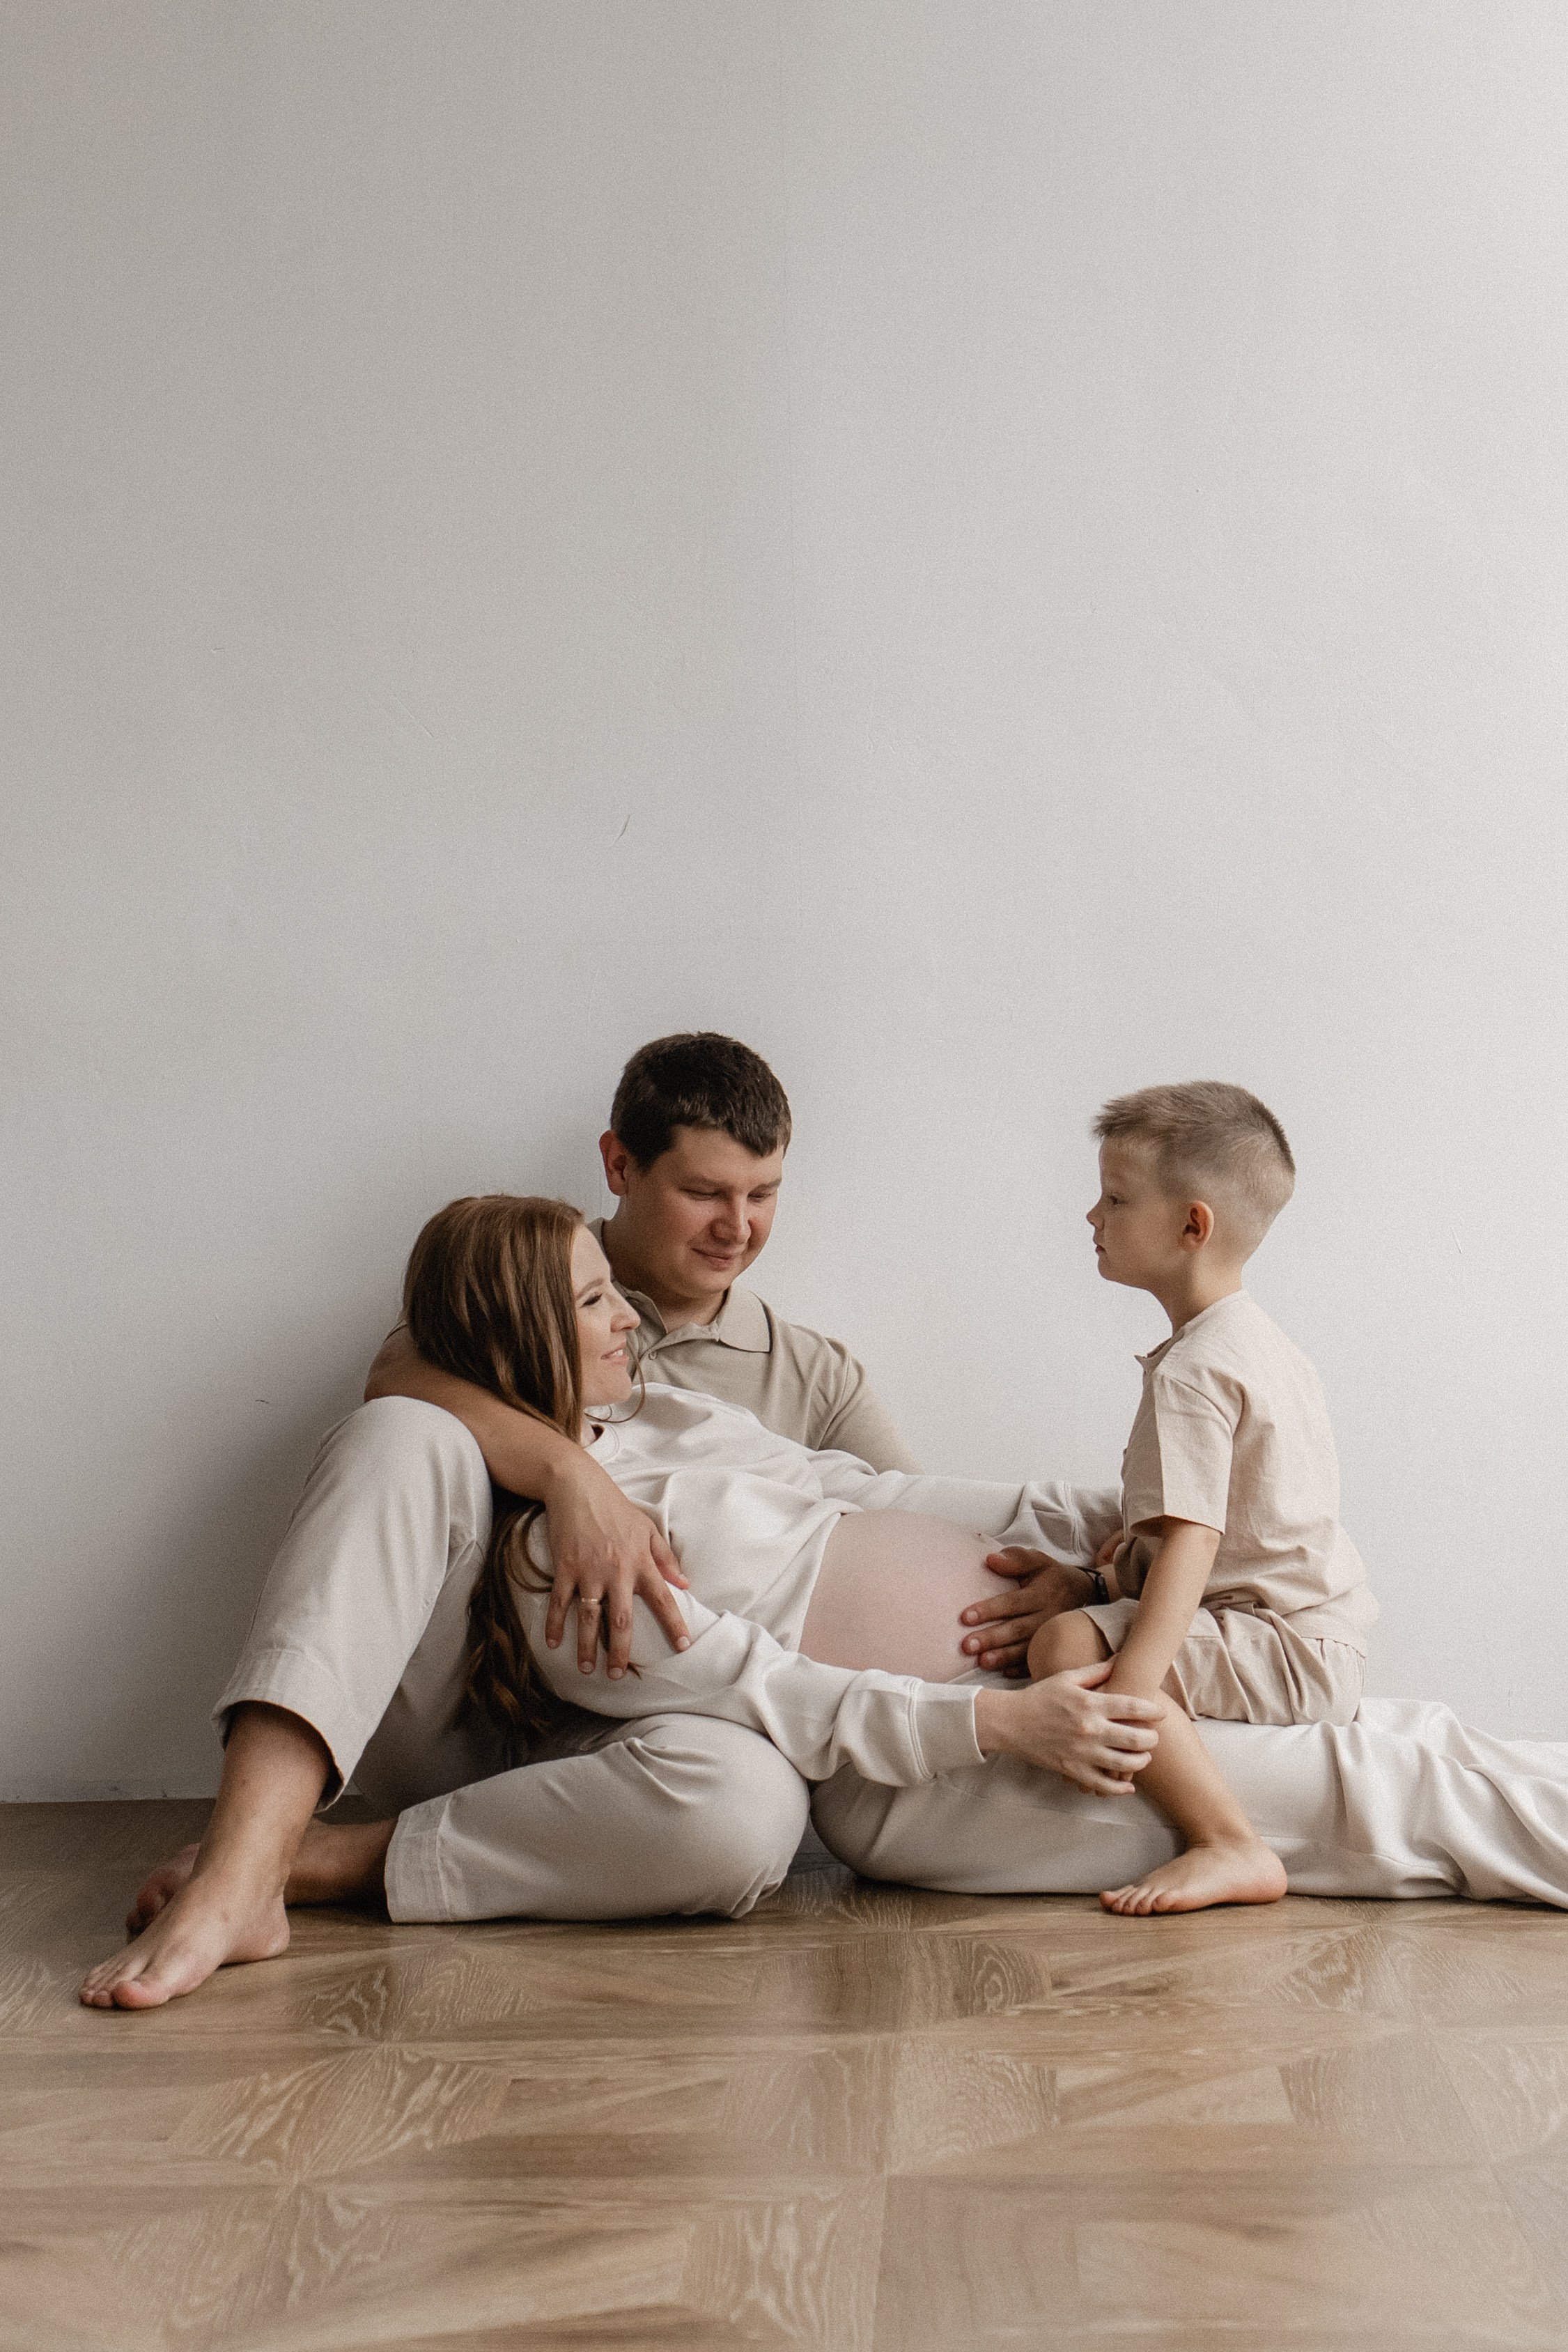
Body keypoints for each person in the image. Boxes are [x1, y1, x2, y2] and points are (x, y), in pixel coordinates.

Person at [84, 1193, 1568, 2013]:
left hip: (1031, 1692)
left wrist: (1145, 1526)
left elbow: (881, 1496)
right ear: (527, 1332)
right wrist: (1002, 1716)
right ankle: (279, 1862)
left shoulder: (671, 1426)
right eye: (596, 1302)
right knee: (1387, 1784)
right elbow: (761, 1685)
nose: (632, 1320)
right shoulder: (559, 1554)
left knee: (1401, 1747)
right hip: (950, 1764)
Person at [364, 1031, 1066, 1682]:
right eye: (703, 1193)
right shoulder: (529, 1287)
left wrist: (1074, 1581)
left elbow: (908, 1527)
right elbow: (398, 1375)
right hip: (520, 1668)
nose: (737, 1228)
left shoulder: (812, 1372)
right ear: (619, 1164)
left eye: (762, 1194)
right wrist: (569, 1474)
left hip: (700, 1687)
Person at [1029, 1083, 1375, 1916]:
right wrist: (1114, 1569)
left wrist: (1129, 1686)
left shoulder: (1193, 1369)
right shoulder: (1260, 1342)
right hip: (1319, 1631)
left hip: (1282, 1645)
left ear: (1192, 1226)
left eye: (1114, 1198)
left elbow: (1195, 1541)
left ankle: (1227, 1841)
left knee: (1061, 1647)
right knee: (1093, 1606)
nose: (1091, 1216)